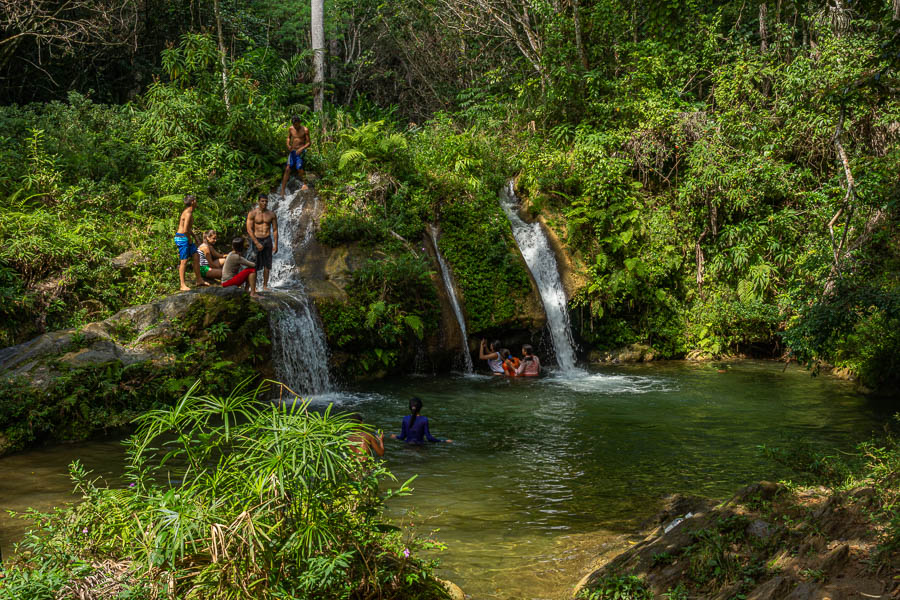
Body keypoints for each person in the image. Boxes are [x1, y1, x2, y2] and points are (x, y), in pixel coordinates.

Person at [174, 195, 209, 291]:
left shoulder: (189, 212)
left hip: (186, 237)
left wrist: (194, 237)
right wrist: (190, 239)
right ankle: (182, 285)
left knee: (196, 255)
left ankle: (199, 280)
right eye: (196, 200)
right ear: (193, 202)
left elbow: (188, 228)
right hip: (182, 238)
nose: (197, 202)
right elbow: (185, 230)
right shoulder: (188, 213)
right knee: (184, 261)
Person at [246, 194, 278, 291]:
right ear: (258, 201)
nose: (264, 203)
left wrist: (276, 244)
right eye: (263, 201)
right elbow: (249, 229)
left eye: (266, 201)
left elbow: (275, 230)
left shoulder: (271, 214)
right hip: (257, 239)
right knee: (254, 264)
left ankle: (265, 286)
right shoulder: (253, 213)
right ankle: (253, 287)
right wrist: (256, 242)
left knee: (267, 265)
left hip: (267, 240)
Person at [280, 116, 311, 196]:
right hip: (293, 151)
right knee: (287, 169)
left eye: (296, 124)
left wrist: (301, 149)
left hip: (301, 151)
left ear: (300, 122)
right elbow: (288, 138)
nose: (295, 126)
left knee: (299, 167)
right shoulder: (291, 129)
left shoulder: (305, 130)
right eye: (294, 125)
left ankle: (305, 183)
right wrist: (288, 144)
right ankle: (282, 190)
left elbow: (308, 143)